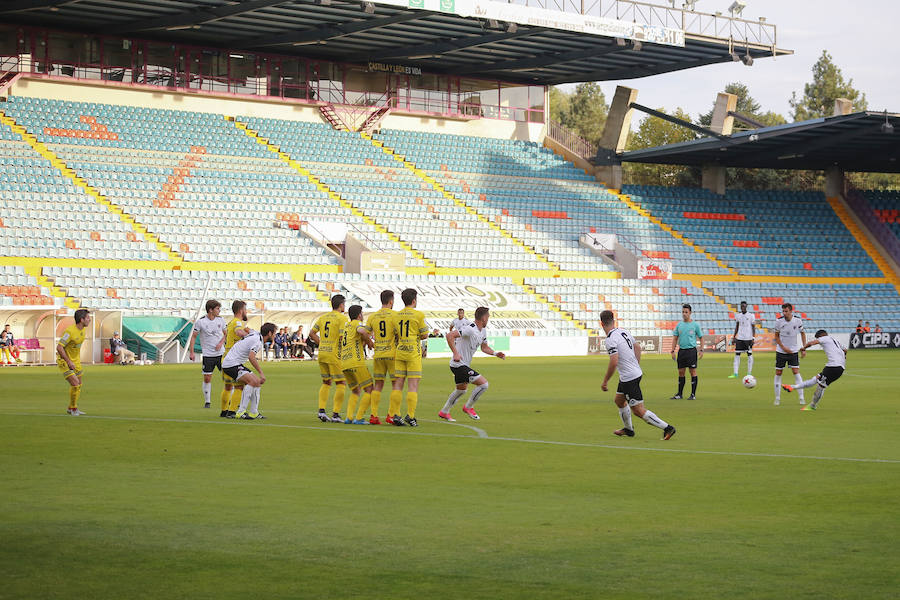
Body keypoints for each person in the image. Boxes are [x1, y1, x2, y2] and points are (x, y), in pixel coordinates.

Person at [599, 309, 676, 440]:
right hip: (630, 375)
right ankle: (629, 430)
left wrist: (605, 381)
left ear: (601, 323)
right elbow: (638, 348)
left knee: (638, 410)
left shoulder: (610, 339)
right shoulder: (623, 331)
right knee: (619, 400)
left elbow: (614, 361)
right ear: (614, 320)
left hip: (629, 377)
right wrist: (636, 365)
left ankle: (667, 428)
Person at [439, 306, 505, 422]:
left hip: (463, 365)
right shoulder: (470, 329)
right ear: (483, 318)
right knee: (484, 385)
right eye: (488, 317)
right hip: (458, 364)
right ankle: (468, 407)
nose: (488, 319)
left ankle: (444, 412)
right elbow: (450, 336)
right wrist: (455, 353)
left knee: (461, 390)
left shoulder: (483, 331)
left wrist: (495, 353)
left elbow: (484, 348)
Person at [390, 288, 433, 427]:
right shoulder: (418, 315)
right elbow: (425, 335)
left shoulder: (396, 315)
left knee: (398, 384)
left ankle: (396, 414)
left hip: (400, 351)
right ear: (414, 300)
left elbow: (396, 333)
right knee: (413, 386)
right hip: (413, 353)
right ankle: (411, 416)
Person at [781, 329, 847, 411]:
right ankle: (792, 387)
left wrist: (803, 348)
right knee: (816, 379)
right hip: (838, 367)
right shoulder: (835, 340)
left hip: (833, 366)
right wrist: (843, 359)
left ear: (821, 335)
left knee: (821, 386)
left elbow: (811, 343)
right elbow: (845, 350)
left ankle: (812, 406)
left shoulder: (824, 338)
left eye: (818, 338)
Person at [222, 322, 277, 420]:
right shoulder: (257, 342)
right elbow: (251, 357)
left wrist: (245, 334)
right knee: (252, 381)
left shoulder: (255, 334)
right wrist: (261, 373)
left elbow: (247, 329)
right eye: (274, 333)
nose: (275, 335)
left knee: (257, 382)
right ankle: (241, 412)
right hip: (231, 364)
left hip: (235, 362)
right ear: (269, 333)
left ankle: (253, 412)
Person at [308, 295, 349, 423]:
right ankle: (336, 414)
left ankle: (322, 411)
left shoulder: (323, 317)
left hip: (322, 353)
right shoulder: (342, 318)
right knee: (341, 383)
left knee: (326, 382)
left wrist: (321, 343)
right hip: (334, 354)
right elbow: (342, 337)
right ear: (341, 305)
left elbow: (311, 333)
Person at [365, 290, 398, 425]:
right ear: (391, 301)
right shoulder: (395, 315)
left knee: (378, 385)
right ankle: (391, 415)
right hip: (392, 354)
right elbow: (399, 334)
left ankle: (374, 415)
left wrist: (370, 342)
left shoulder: (373, 316)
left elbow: (364, 332)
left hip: (378, 354)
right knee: (396, 384)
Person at [340, 305, 376, 424]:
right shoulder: (357, 324)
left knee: (355, 391)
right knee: (370, 389)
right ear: (359, 315)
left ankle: (349, 417)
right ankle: (359, 417)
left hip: (345, 363)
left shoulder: (347, 326)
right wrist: (369, 342)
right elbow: (362, 331)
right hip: (356, 362)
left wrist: (363, 342)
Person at [188, 300, 226, 410]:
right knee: (207, 378)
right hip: (208, 355)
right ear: (210, 310)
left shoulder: (221, 320)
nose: (219, 311)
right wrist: (191, 352)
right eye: (217, 309)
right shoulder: (200, 322)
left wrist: (221, 342)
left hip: (221, 354)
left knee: (227, 377)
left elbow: (226, 334)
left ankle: (230, 400)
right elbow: (194, 336)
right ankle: (207, 401)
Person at [57, 308, 91, 416]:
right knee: (75, 384)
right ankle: (73, 409)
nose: (89, 320)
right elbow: (59, 347)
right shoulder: (69, 331)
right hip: (65, 361)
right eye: (88, 318)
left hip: (76, 361)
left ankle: (71, 407)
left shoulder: (83, 330)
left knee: (79, 385)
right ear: (81, 320)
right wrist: (68, 361)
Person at [773, 302, 806, 406]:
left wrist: (804, 348)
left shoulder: (798, 320)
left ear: (791, 311)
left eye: (786, 311)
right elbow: (776, 337)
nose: (784, 313)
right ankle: (777, 398)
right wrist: (783, 348)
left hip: (793, 351)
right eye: (783, 311)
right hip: (781, 351)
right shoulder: (779, 321)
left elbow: (803, 333)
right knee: (778, 373)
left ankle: (801, 398)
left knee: (796, 372)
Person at [223, 300, 251, 418]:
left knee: (228, 386)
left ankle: (224, 411)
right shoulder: (237, 322)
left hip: (226, 357)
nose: (246, 312)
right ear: (241, 311)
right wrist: (249, 335)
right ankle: (232, 411)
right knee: (241, 385)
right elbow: (238, 332)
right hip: (233, 360)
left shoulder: (230, 322)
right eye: (245, 309)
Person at [670, 303, 703, 400]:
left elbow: (701, 337)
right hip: (682, 351)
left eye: (686, 312)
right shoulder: (679, 325)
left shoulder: (695, 325)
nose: (684, 314)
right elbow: (675, 338)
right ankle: (679, 394)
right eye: (683, 312)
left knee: (692, 371)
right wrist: (672, 350)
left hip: (691, 351)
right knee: (681, 372)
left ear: (690, 313)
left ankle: (693, 394)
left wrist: (701, 349)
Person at [729, 301, 755, 379]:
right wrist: (734, 337)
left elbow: (753, 327)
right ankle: (735, 373)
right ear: (740, 307)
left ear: (746, 306)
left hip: (748, 338)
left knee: (749, 354)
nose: (743, 307)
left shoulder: (751, 316)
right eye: (741, 306)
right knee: (737, 355)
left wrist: (753, 338)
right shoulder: (738, 316)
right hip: (740, 338)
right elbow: (737, 326)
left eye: (744, 306)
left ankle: (749, 373)